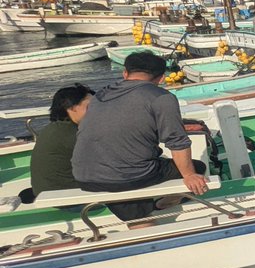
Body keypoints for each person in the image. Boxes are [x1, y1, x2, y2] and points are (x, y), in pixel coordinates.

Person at [71, 50, 209, 221]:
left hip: (83, 175)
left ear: (125, 73)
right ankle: (154, 212)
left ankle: (151, 208)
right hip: (124, 176)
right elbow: (177, 142)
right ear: (161, 79)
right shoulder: (161, 97)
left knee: (130, 166)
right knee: (197, 168)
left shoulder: (101, 95)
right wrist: (189, 176)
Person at [22, 84, 94, 202]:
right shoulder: (73, 134)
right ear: (71, 108)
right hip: (67, 200)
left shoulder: (56, 128)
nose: (96, 110)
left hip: (47, 193)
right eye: (90, 106)